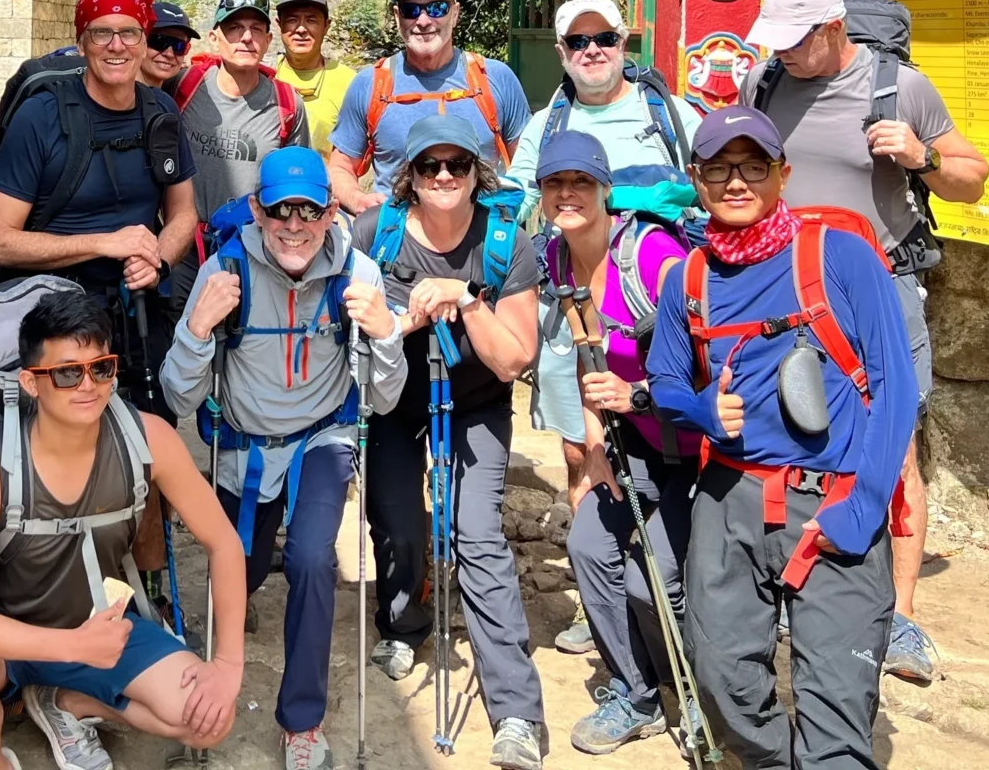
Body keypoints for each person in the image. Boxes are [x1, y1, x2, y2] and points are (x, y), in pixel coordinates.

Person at [646, 106, 918, 769]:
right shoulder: (687, 278)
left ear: (782, 174)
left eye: (753, 166)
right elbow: (665, 380)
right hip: (729, 502)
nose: (736, 181)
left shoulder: (841, 257)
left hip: (832, 501)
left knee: (836, 713)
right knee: (721, 682)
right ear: (697, 178)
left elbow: (895, 387)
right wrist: (700, 412)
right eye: (718, 166)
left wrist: (861, 505)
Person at [741, 0, 989, 685]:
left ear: (831, 29)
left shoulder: (899, 88)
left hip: (878, 289)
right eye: (776, 42)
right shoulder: (765, 83)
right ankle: (800, 587)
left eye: (795, 42)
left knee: (894, 444)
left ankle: (901, 616)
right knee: (786, 436)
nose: (782, 54)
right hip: (784, 291)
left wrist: (924, 157)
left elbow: (974, 176)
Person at [0, 290, 247, 770]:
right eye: (68, 372)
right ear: (31, 382)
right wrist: (70, 646)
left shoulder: (148, 437)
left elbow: (223, 543)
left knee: (209, 719)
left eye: (102, 368)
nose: (88, 385)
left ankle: (65, 701)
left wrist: (227, 665)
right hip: (4, 635)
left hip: (99, 626)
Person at [160, 147, 404, 770]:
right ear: (257, 212)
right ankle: (213, 689)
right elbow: (178, 394)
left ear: (329, 212)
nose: (294, 225)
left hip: (322, 441)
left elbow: (382, 396)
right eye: (279, 210)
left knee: (312, 559)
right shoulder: (225, 271)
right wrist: (195, 332)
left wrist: (386, 336)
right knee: (234, 569)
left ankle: (303, 721)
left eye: (309, 210)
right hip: (242, 449)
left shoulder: (360, 276)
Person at [500, 0, 701, 656]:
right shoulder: (544, 124)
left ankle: (669, 587)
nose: (593, 49)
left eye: (605, 38)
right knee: (581, 448)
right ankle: (602, 592)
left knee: (665, 444)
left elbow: (721, 187)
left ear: (625, 44)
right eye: (579, 40)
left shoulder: (669, 114)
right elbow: (513, 203)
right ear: (561, 52)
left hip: (652, 307)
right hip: (572, 313)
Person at [0, 0, 200, 585]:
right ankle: (46, 581)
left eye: (129, 33)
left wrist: (156, 252)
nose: (117, 45)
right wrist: (104, 243)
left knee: (146, 445)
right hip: (50, 310)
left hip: (133, 307)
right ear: (82, 43)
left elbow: (184, 213)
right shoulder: (43, 116)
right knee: (55, 454)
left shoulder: (160, 113)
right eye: (101, 33)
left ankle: (148, 585)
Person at [356, 118, 548, 770]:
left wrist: (467, 300)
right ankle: (404, 621)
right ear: (408, 174)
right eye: (429, 166)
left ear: (477, 173)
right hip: (395, 400)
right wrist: (403, 319)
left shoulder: (505, 244)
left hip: (474, 406)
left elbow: (511, 361)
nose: (443, 177)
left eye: (457, 166)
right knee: (400, 523)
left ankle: (518, 711)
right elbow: (344, 323)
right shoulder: (374, 234)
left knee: (476, 536)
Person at [532, 131, 698, 752]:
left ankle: (698, 681)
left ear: (605, 190)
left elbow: (707, 358)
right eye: (555, 183)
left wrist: (640, 397)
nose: (567, 194)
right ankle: (638, 692)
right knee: (589, 547)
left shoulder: (652, 255)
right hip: (635, 443)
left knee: (646, 578)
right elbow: (588, 357)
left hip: (696, 445)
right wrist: (596, 447)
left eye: (580, 182)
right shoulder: (556, 257)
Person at [329, 0, 531, 214]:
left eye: (437, 8)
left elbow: (527, 163)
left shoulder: (494, 78)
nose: (423, 21)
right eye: (410, 10)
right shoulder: (370, 84)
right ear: (396, 16)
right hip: (397, 241)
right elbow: (340, 166)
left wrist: (512, 214)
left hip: (481, 239)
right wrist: (358, 200)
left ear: (455, 13)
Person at [170, 0, 311, 301]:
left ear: (269, 39)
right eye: (234, 28)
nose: (246, 38)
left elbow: (298, 183)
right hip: (183, 247)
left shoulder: (286, 104)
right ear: (213, 37)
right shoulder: (184, 86)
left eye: (256, 29)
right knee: (179, 333)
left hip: (252, 246)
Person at [271, 0, 357, 159]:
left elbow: (357, 154)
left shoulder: (350, 82)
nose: (301, 29)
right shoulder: (263, 75)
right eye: (292, 20)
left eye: (311, 20)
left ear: (326, 26)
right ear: (279, 24)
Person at [142, 0, 197, 90]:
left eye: (179, 46)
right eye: (159, 41)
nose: (169, 54)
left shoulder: (169, 99)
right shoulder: (120, 99)